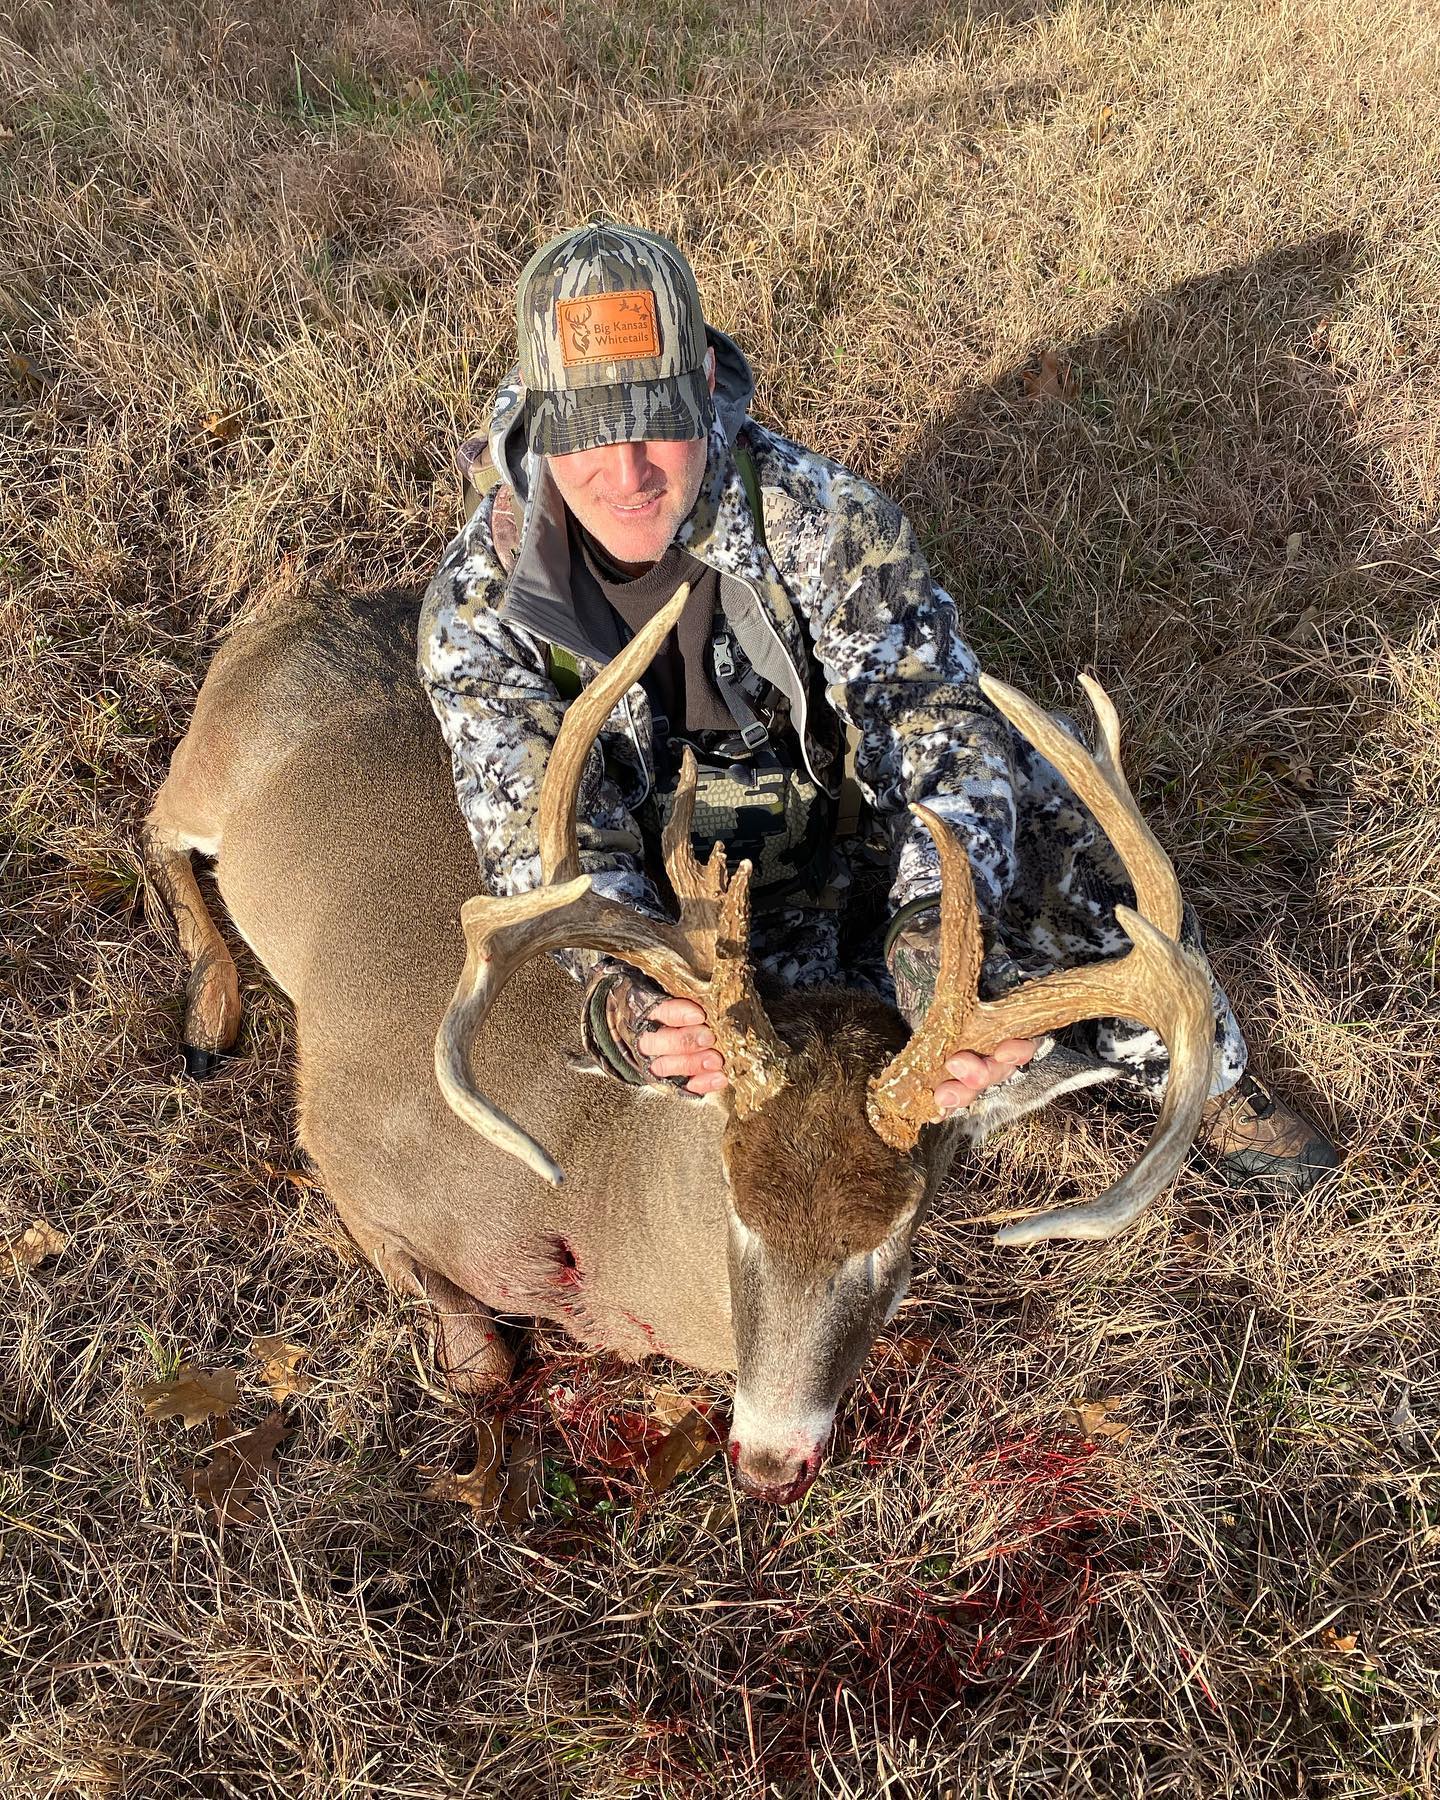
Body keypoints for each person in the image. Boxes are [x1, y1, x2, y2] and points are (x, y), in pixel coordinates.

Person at [418, 221, 1338, 1191]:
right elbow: (544, 842)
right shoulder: (481, 615)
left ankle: (1198, 1067)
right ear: (538, 426)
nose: (630, 471)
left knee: (1046, 773)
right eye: (589, 432)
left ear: (707, 399)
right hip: (693, 917)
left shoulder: (822, 522)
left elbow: (930, 720)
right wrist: (632, 1000)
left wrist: (939, 937)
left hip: (863, 859)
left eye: (655, 421)